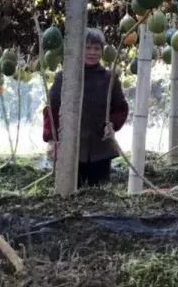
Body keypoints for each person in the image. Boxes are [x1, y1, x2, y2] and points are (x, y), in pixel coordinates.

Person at [43, 28, 129, 187]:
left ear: (102, 51)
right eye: (87, 47)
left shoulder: (110, 78)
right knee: (71, 194)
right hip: (70, 146)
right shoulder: (64, 77)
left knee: (99, 195)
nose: (92, 52)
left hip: (100, 148)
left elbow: (121, 108)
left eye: (97, 48)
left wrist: (113, 124)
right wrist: (51, 139)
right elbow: (51, 110)